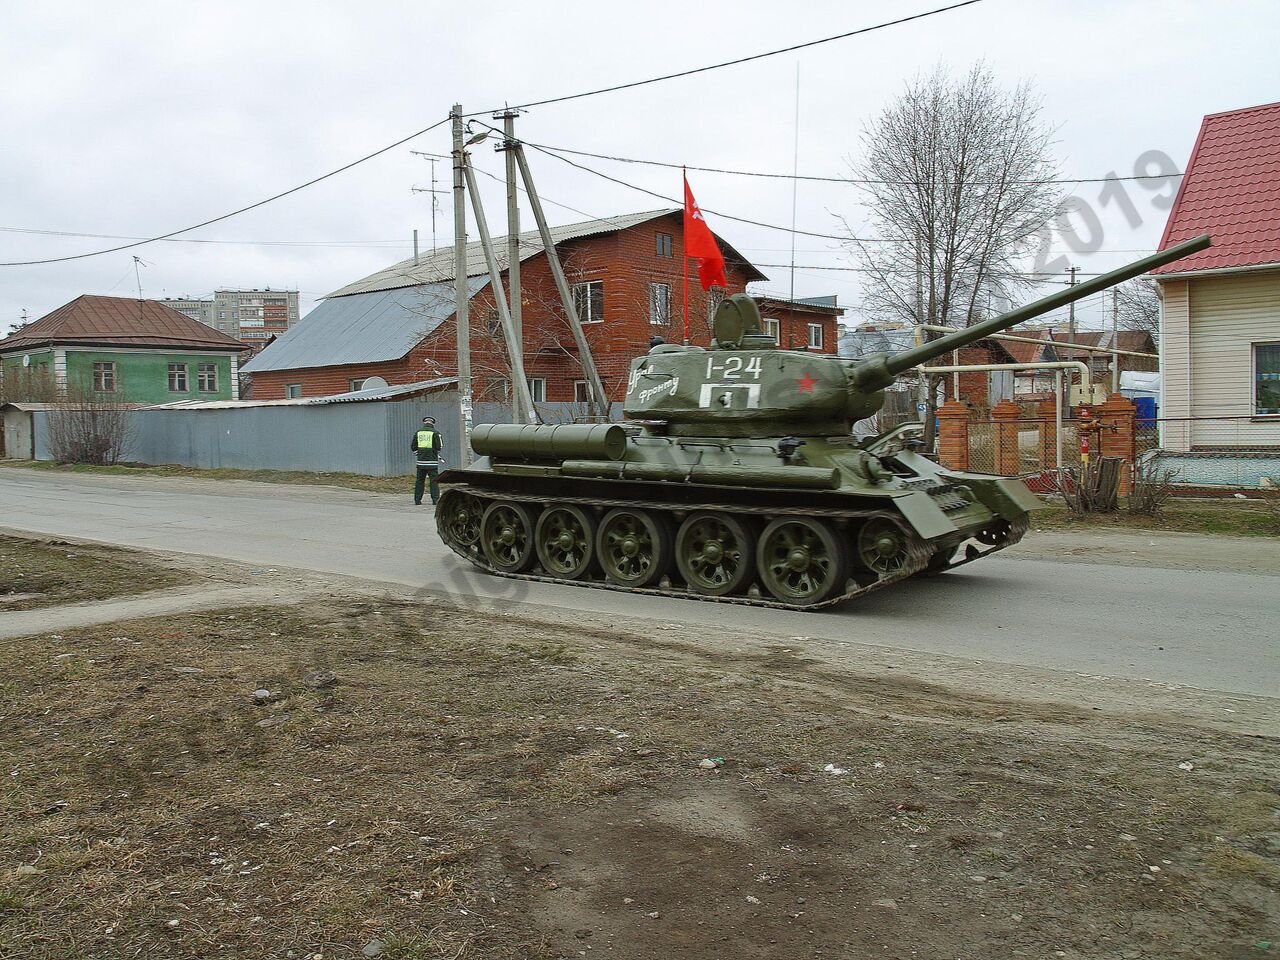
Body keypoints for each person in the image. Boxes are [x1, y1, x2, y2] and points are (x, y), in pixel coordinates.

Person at [411, 416, 443, 505]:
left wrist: (419, 453)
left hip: (420, 462)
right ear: (433, 423)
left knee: (419, 480)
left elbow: (413, 446)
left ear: (424, 423)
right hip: (432, 462)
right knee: (434, 481)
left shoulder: (418, 432)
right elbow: (439, 446)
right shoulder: (436, 433)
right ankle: (435, 500)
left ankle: (417, 500)